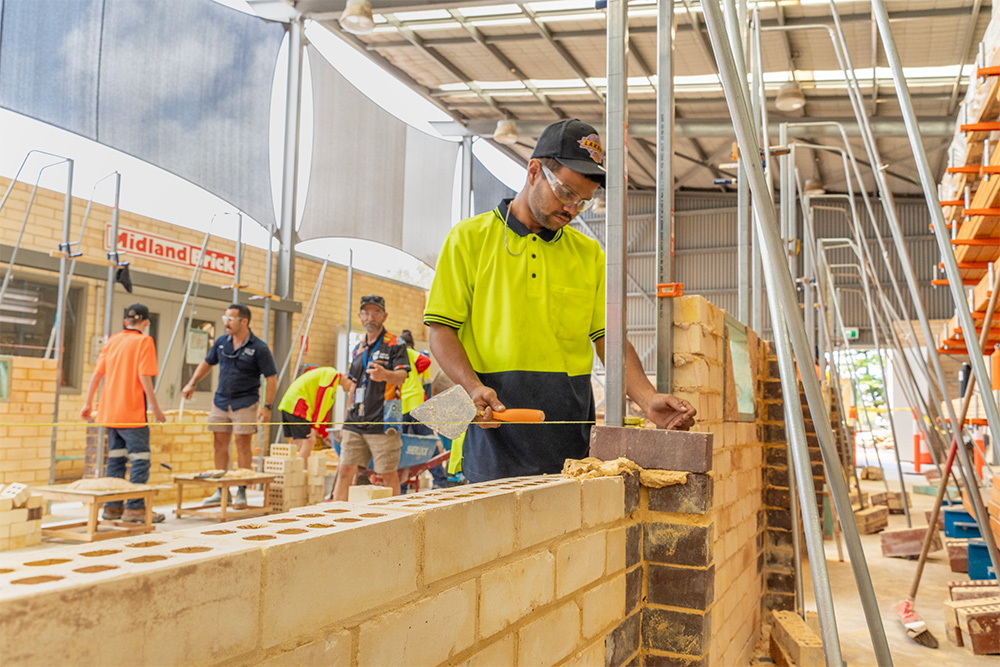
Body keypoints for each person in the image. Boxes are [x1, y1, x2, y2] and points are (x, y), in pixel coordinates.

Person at [425, 118, 697, 483]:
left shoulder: (589, 255)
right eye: (566, 193)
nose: (571, 210)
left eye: (583, 202)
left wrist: (647, 400)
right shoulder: (469, 240)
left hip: (569, 443)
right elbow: (441, 330)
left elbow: (608, 340)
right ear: (534, 171)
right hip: (493, 438)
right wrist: (473, 387)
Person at [182, 303, 277, 507]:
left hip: (245, 403)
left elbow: (271, 378)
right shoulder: (221, 342)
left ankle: (241, 489)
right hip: (221, 401)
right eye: (225, 319)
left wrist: (267, 407)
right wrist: (192, 383)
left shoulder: (259, 348)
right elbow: (207, 362)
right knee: (219, 443)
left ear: (244, 321)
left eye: (231, 319)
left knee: (243, 445)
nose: (227, 323)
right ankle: (221, 489)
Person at [81, 304, 167, 523]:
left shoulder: (112, 341)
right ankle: (135, 508)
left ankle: (112, 507)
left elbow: (97, 374)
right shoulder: (144, 341)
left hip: (110, 413)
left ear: (125, 321)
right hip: (132, 413)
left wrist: (88, 403)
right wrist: (155, 408)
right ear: (146, 322)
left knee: (116, 460)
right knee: (140, 459)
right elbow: (144, 376)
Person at [332, 294, 411, 500]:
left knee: (386, 474)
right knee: (345, 470)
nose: (371, 317)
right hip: (355, 420)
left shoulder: (396, 343)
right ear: (359, 316)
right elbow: (353, 386)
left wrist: (385, 375)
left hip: (383, 421)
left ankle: (393, 518)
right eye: (366, 313)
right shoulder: (358, 348)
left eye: (376, 312)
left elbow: (402, 377)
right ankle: (334, 516)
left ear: (384, 316)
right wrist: (344, 420)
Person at [277, 366, 351, 462]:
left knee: (296, 442)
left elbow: (323, 411)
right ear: (347, 376)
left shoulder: (332, 384)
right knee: (309, 440)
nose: (351, 389)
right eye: (353, 384)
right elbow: (320, 403)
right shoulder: (331, 375)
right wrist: (314, 427)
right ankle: (302, 472)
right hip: (298, 405)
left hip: (289, 404)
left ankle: (291, 472)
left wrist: (324, 434)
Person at [398, 329, 432, 435]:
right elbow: (426, 361)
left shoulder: (402, 354)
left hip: (404, 401)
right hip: (416, 399)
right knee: (425, 435)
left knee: (401, 436)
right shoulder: (412, 355)